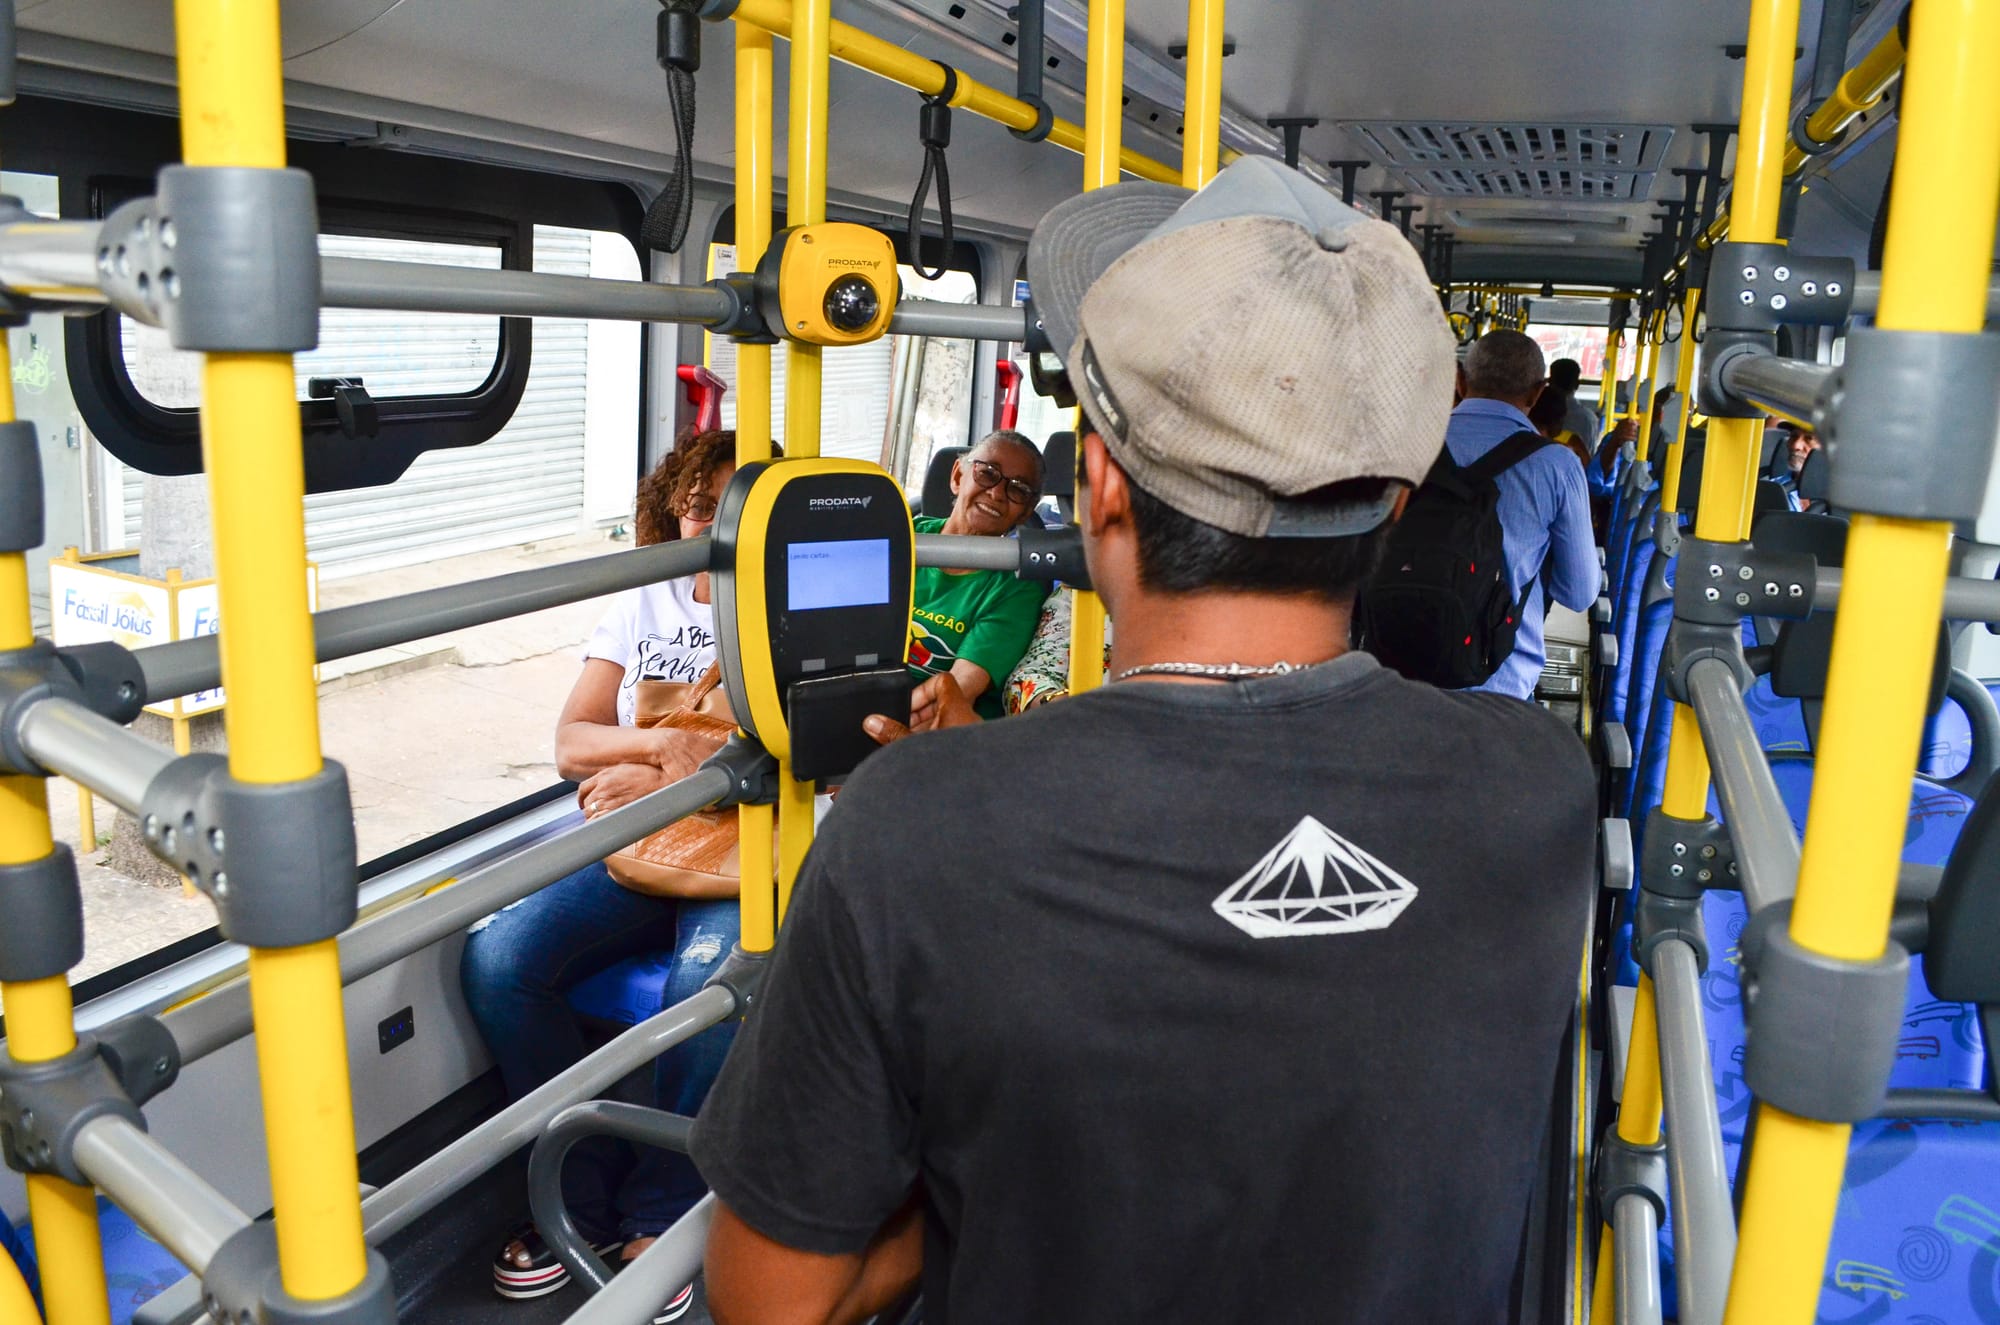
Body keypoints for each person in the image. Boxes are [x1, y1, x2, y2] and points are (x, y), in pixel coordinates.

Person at [689, 155, 1596, 1323]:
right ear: (1397, 502)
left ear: (1101, 483)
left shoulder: (919, 822)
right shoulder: (1533, 784)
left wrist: (976, 1170)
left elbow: (769, 1298)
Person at [461, 429, 762, 1318]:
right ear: (674, 509)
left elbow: (809, 755)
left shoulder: (788, 599)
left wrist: (676, 775)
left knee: (699, 990)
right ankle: (578, 1194)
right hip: (646, 837)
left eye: (731, 507)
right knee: (498, 961)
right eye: (699, 506)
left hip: (746, 843)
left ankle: (661, 1217)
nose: (710, 523)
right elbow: (571, 742)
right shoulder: (646, 601)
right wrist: (656, 746)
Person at [1445, 330, 1598, 700]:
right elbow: (1579, 593)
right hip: (1501, 683)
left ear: (1462, 381)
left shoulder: (1407, 443)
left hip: (1397, 673)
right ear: (1537, 392)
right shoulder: (1557, 465)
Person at [907, 430, 1050, 719]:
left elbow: (953, 697)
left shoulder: (1018, 586)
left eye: (1018, 490)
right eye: (987, 473)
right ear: (958, 476)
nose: (997, 493)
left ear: (1025, 513)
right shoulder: (905, 534)